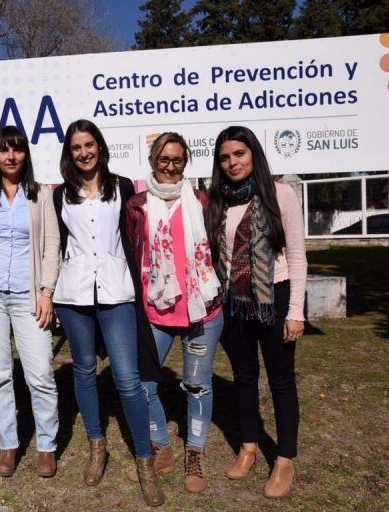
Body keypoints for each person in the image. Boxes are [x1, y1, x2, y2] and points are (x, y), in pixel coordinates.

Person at [52, 119, 164, 507]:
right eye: (76, 147)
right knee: (83, 370)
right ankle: (97, 445)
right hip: (74, 294)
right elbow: (57, 245)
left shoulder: (125, 187)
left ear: (99, 146)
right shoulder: (60, 195)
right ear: (70, 153)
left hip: (117, 292)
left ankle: (145, 461)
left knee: (127, 378)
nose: (84, 152)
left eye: (89, 144)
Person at [206, 126, 307, 498]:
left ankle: (284, 459)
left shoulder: (280, 194)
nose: (232, 162)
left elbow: (297, 254)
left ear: (254, 155)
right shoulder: (219, 201)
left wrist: (295, 311)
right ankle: (248, 445)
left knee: (281, 381)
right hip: (233, 301)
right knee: (244, 377)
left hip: (273, 298)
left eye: (239, 154)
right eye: (225, 157)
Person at [124, 132, 223, 493]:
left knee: (198, 387)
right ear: (152, 160)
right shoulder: (137, 205)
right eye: (163, 159)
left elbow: (217, 250)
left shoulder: (201, 201)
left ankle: (194, 454)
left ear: (186, 162)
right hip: (156, 312)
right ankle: (162, 448)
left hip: (202, 312)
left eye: (177, 160)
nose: (170, 166)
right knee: (142, 385)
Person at [0, 126, 61, 478]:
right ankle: (8, 442)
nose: (11, 156)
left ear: (24, 154)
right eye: (4, 150)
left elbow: (52, 247)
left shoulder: (41, 196)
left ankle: (46, 445)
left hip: (29, 299)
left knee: (41, 375)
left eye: (17, 149)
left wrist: (47, 292)